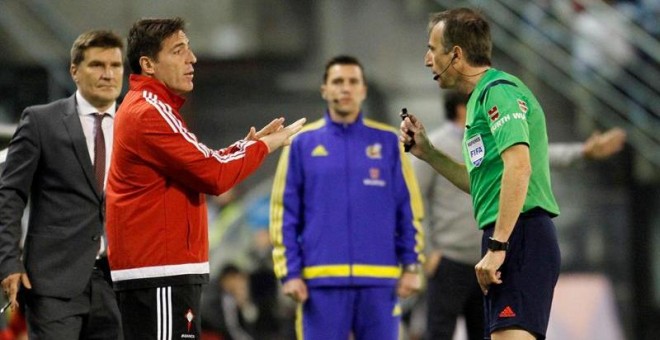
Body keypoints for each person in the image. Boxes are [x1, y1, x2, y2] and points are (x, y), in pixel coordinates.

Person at [105, 17, 304, 340]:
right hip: (160, 273)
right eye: (178, 50)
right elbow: (213, 175)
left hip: (164, 272)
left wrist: (250, 146)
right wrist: (264, 146)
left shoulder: (152, 108)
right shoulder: (148, 111)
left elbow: (204, 161)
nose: (192, 58)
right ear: (148, 64)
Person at [400, 8, 562, 339]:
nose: (427, 59)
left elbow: (519, 165)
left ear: (455, 54)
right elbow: (480, 185)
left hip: (521, 236)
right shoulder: (478, 101)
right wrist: (428, 153)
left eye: (433, 49)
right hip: (508, 235)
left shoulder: (498, 92)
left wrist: (500, 244)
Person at [412, 91, 626, 340]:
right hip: (451, 260)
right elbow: (414, 200)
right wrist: (428, 252)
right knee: (438, 334)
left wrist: (583, 152)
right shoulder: (436, 145)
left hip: (491, 258)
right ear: (464, 109)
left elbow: (537, 157)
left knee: (486, 334)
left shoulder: (494, 141)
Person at [269, 55, 425, 340]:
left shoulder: (390, 142)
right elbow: (284, 214)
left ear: (363, 90)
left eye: (353, 82)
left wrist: (412, 267)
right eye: (337, 82)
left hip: (380, 283)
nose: (346, 88)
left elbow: (408, 210)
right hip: (320, 284)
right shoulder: (301, 143)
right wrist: (289, 273)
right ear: (324, 90)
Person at [0, 30, 124, 339]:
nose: (108, 74)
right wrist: (8, 262)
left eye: (116, 65)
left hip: (119, 284)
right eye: (97, 65)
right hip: (53, 283)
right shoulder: (41, 121)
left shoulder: (135, 126)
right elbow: (10, 194)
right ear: (74, 71)